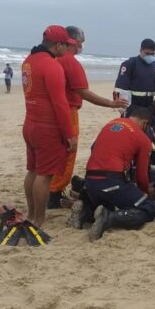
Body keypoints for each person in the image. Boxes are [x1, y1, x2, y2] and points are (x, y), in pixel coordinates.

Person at [47, 26, 128, 209]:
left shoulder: (50, 59)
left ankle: (50, 189)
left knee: (53, 153)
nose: (81, 47)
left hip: (49, 113)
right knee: (68, 152)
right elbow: (83, 92)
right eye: (81, 43)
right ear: (73, 42)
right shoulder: (70, 62)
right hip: (67, 111)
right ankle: (54, 193)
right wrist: (111, 103)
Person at [67, 108, 155, 241]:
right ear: (145, 123)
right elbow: (141, 174)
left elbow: (93, 148)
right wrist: (144, 195)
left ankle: (84, 211)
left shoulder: (111, 124)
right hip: (111, 180)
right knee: (148, 209)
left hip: (90, 180)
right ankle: (109, 218)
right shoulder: (143, 139)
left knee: (106, 203)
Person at [21, 25, 78, 227]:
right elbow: (60, 104)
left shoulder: (28, 62)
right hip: (47, 128)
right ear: (59, 45)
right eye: (67, 44)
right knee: (44, 175)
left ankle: (30, 214)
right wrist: (69, 134)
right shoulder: (52, 65)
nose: (68, 49)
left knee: (33, 171)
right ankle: (38, 219)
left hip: (29, 124)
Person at [113, 39, 155, 117]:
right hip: (132, 104)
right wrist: (121, 106)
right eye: (147, 53)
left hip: (150, 105)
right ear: (140, 50)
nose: (150, 56)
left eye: (152, 54)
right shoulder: (129, 64)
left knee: (147, 127)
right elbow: (120, 87)